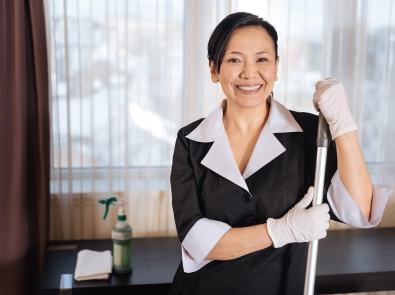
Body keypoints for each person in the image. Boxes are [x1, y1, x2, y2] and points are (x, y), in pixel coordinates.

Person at [169, 12, 392, 295]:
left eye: (262, 59)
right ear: (214, 70)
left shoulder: (310, 134)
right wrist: (279, 231)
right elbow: (196, 240)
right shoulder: (191, 140)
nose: (249, 73)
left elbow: (360, 210)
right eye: (234, 60)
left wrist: (343, 124)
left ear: (276, 68)